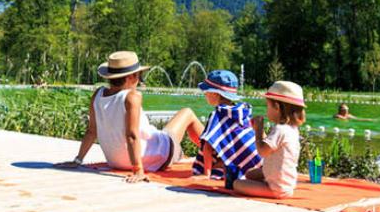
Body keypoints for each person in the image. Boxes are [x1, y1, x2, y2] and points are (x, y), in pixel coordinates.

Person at [57, 51, 203, 183]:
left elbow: (91, 131)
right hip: (159, 155)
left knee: (165, 135)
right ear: (132, 77)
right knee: (187, 113)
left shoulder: (98, 95)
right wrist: (138, 170)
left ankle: (200, 155)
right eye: (139, 76)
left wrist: (78, 160)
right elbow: (132, 135)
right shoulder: (132, 96)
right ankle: (216, 154)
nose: (140, 80)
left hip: (116, 161)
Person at [233, 81, 306, 199]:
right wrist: (261, 131)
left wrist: (258, 130)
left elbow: (262, 151)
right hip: (286, 183)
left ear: (277, 107)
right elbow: (271, 147)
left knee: (237, 184)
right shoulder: (292, 129)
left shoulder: (280, 129)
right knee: (249, 173)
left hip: (276, 189)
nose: (267, 110)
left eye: (268, 106)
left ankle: (267, 188)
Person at [192, 70, 262, 182]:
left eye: (206, 92)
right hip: (260, 160)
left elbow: (208, 145)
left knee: (211, 164)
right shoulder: (242, 110)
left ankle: (209, 171)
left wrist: (206, 174)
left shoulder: (218, 114)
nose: (204, 95)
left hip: (245, 169)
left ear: (214, 94)